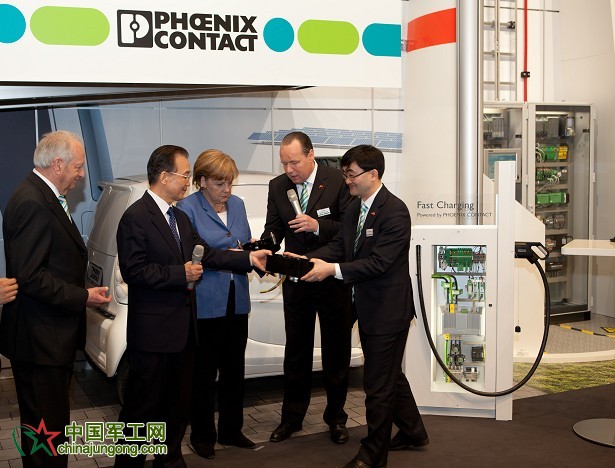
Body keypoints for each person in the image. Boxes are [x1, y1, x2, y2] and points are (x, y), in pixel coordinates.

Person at [114, 145, 268, 468]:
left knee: (176, 406)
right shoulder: (136, 217)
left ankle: (170, 460)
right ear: (164, 176)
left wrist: (248, 258)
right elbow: (134, 271)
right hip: (153, 334)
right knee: (141, 409)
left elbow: (207, 253)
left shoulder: (179, 218)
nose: (187, 181)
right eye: (184, 175)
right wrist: (179, 274)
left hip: (183, 333)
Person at [298, 145, 429, 468]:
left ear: (373, 174)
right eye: (345, 174)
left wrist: (331, 270)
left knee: (377, 386)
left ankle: (373, 456)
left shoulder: (395, 211)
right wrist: (307, 260)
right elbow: (341, 245)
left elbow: (379, 263)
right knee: (389, 376)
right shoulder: (356, 207)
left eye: (352, 174)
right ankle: (413, 431)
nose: (347, 181)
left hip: (388, 311)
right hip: (365, 306)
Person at [0, 130, 112, 468]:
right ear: (58, 164)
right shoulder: (32, 201)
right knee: (45, 434)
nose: (82, 175)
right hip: (40, 340)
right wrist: (83, 296)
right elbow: (31, 277)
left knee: (49, 430)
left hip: (46, 337)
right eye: (78, 167)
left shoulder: (40, 195)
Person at [261, 131, 353, 444]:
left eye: (295, 162)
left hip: (330, 280)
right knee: (296, 353)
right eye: (284, 163)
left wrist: (317, 226)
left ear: (311, 155)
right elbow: (274, 229)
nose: (289, 170)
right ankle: (291, 418)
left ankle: (336, 419)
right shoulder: (278, 186)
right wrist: (264, 245)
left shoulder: (338, 181)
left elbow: (349, 230)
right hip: (297, 282)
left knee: (336, 353)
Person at [176, 149, 255, 459]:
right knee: (204, 374)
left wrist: (243, 252)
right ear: (202, 181)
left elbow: (243, 242)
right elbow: (196, 252)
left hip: (237, 299)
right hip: (206, 300)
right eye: (220, 183)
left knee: (235, 370)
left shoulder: (238, 205)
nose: (227, 190)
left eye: (230, 183)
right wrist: (233, 254)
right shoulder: (187, 208)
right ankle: (203, 436)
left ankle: (232, 430)